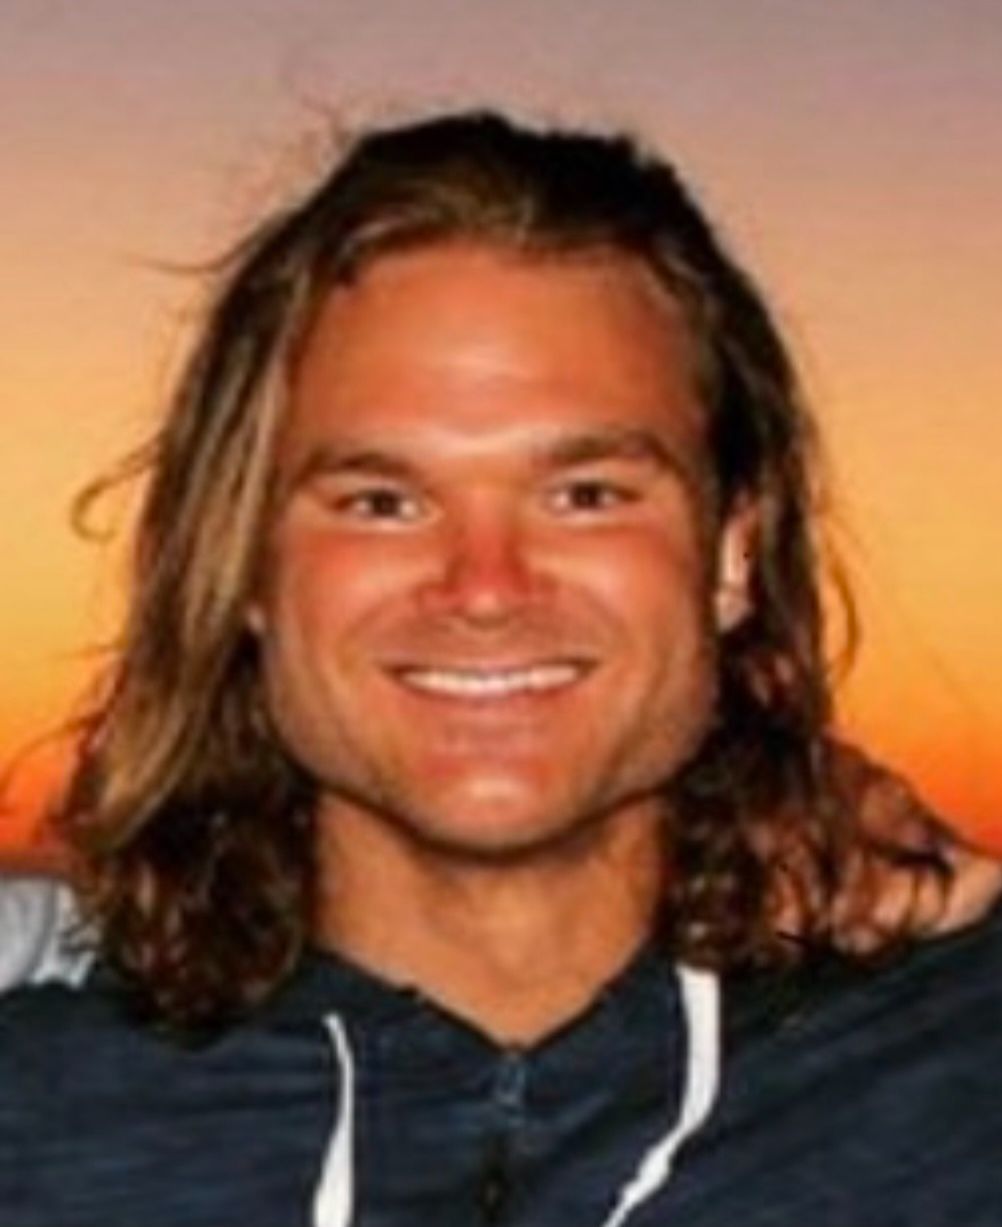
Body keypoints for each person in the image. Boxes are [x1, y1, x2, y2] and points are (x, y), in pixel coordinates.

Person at [1, 109, 999, 1227]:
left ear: (730, 553)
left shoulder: (962, 1076)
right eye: (382, 501)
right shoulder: (36, 1129)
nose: (484, 585)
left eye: (586, 494)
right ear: (244, 565)